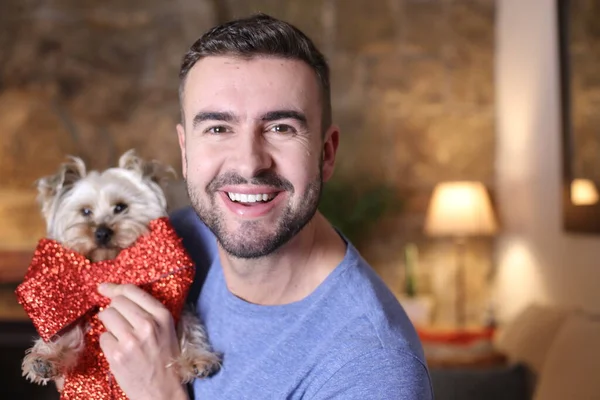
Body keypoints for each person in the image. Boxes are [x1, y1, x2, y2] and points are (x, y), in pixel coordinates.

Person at [96, 13, 433, 400]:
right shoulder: (181, 238)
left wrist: (159, 394)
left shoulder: (372, 370)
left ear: (326, 153)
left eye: (280, 128)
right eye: (218, 128)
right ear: (185, 150)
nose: (249, 162)